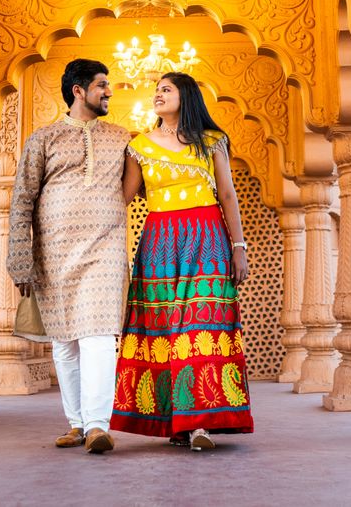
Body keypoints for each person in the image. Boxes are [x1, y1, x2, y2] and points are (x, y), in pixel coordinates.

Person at [110, 72, 254, 450]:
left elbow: (226, 194)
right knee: (164, 332)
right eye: (156, 91)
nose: (157, 95)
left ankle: (202, 425)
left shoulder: (211, 142)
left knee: (201, 327)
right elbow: (122, 199)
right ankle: (175, 423)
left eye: (166, 90)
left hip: (207, 239)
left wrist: (239, 247)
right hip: (159, 245)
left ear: (185, 96)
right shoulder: (139, 146)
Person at [7, 58, 130, 454]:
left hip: (106, 248)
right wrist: (20, 259)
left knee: (97, 334)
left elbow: (153, 175)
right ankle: (76, 423)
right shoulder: (43, 139)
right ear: (79, 90)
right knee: (65, 341)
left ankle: (97, 424)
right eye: (101, 85)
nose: (108, 91)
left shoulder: (123, 138)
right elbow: (22, 200)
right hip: (54, 252)